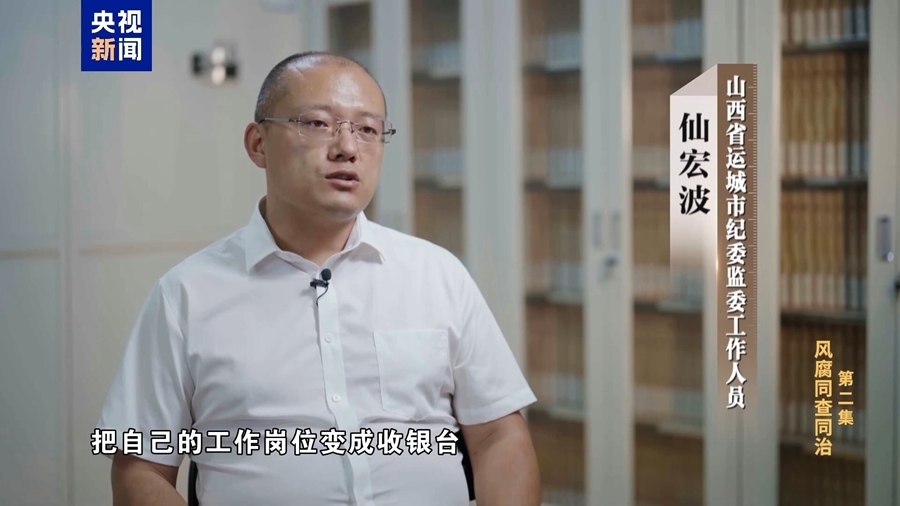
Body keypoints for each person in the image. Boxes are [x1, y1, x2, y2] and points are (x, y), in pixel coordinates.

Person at [96, 51, 540, 506]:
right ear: (258, 144)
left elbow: (498, 437)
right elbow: (140, 469)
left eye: (367, 129)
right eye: (317, 123)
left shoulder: (438, 275)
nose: (347, 147)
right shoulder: (186, 295)